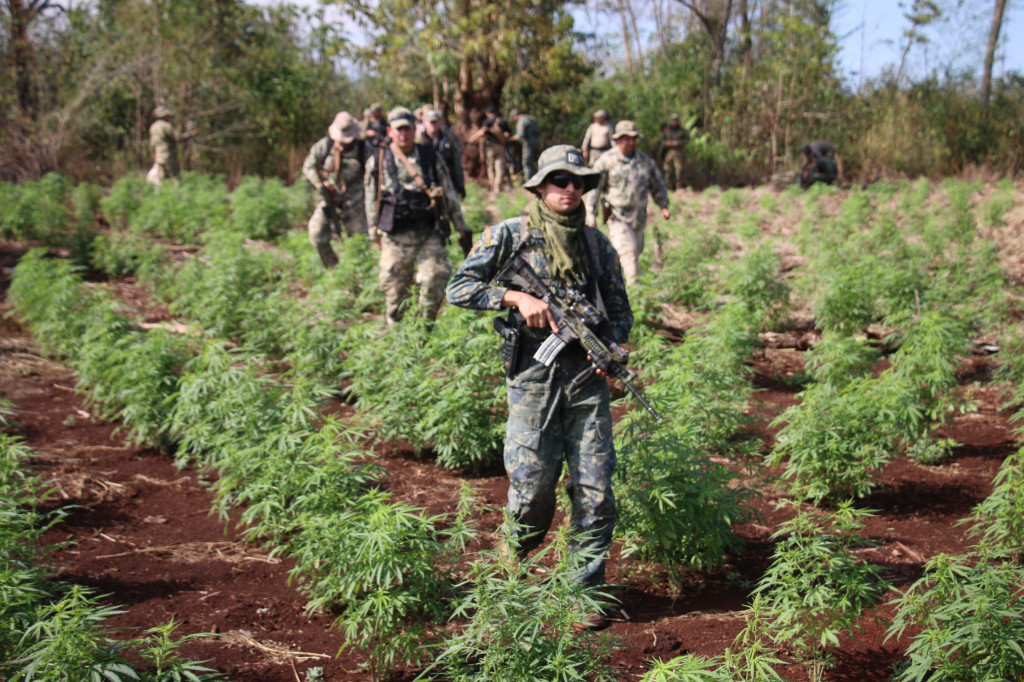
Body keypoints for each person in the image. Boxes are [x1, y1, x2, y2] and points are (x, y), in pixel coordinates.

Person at [446, 145, 632, 627]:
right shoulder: (507, 235)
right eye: (558, 180)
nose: (568, 189)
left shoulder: (597, 245)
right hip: (532, 376)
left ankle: (583, 594)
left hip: (586, 380)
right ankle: (512, 562)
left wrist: (612, 351)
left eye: (577, 182)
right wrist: (513, 295)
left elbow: (620, 310)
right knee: (532, 489)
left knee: (595, 490)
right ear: (539, 187)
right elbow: (459, 287)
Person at [366, 107, 468, 325]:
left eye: (407, 129)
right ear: (389, 131)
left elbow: (448, 192)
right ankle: (399, 335)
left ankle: (424, 327)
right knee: (395, 291)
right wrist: (372, 229)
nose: (403, 134)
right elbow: (370, 195)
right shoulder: (379, 159)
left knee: (435, 277)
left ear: (414, 129)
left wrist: (460, 225)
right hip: (395, 237)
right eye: (398, 129)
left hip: (427, 233)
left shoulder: (430, 156)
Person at [586, 120, 671, 286]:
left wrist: (663, 205)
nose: (630, 142)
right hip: (618, 217)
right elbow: (594, 188)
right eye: (626, 138)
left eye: (633, 138)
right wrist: (591, 214)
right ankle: (636, 295)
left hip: (638, 218)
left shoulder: (644, 161)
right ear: (617, 139)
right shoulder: (606, 161)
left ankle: (619, 286)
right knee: (629, 254)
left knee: (635, 252)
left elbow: (657, 184)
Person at [302, 111, 370, 268]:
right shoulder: (325, 146)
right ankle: (335, 270)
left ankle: (360, 275)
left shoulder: (363, 148)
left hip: (357, 200)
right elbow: (309, 166)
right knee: (316, 233)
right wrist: (320, 185)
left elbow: (376, 171)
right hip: (330, 198)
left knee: (359, 242)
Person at [421, 109, 466, 199]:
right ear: (425, 123)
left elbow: (456, 164)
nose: (433, 125)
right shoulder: (418, 142)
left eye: (435, 122)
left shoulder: (448, 139)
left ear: (439, 123)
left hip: (446, 183)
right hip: (426, 187)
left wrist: (460, 185)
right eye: (430, 122)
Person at [468, 105, 512, 194]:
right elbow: (507, 134)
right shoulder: (502, 121)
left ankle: (493, 186)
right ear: (496, 112)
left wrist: (471, 139)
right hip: (501, 147)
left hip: (490, 148)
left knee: (491, 168)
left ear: (488, 114)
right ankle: (497, 188)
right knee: (500, 167)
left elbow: (481, 133)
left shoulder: (487, 122)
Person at [146, 105, 194, 186]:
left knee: (160, 180)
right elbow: (179, 139)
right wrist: (190, 135)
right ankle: (179, 196)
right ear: (164, 116)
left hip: (159, 158)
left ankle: (159, 196)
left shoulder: (153, 127)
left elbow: (152, 144)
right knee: (176, 178)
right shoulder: (166, 126)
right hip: (169, 158)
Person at [660, 113, 690, 191]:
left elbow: (687, 140)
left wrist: (679, 142)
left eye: (676, 120)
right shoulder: (667, 131)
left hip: (679, 151)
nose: (674, 122)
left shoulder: (682, 130)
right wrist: (666, 143)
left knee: (679, 169)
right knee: (667, 169)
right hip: (669, 151)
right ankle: (668, 186)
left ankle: (679, 186)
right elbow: (662, 141)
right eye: (673, 120)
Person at [511, 110, 542, 181]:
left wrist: (512, 138)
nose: (514, 120)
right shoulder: (530, 118)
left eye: (513, 118)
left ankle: (529, 181)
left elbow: (521, 134)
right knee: (537, 161)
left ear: (516, 116)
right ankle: (537, 178)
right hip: (537, 142)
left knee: (527, 163)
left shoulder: (522, 121)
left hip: (528, 144)